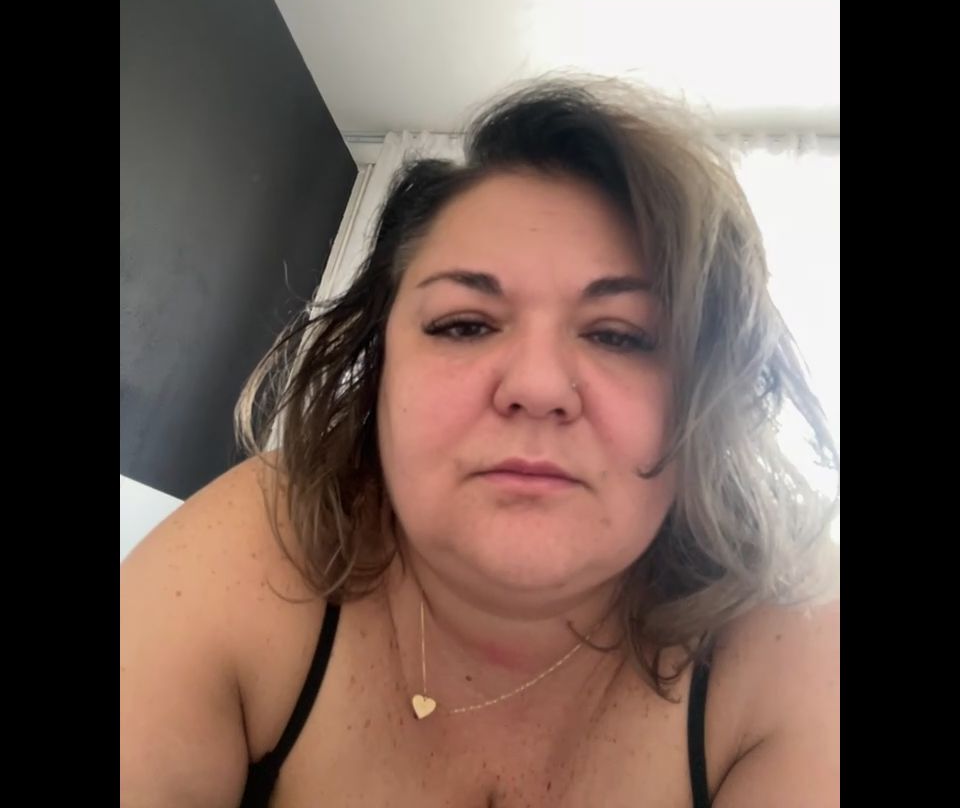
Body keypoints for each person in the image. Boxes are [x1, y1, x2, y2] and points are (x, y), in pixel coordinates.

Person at [120, 76, 839, 807]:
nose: (538, 385)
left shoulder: (796, 628)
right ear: (380, 369)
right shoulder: (269, 536)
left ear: (705, 397)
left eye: (621, 335)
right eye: (464, 324)